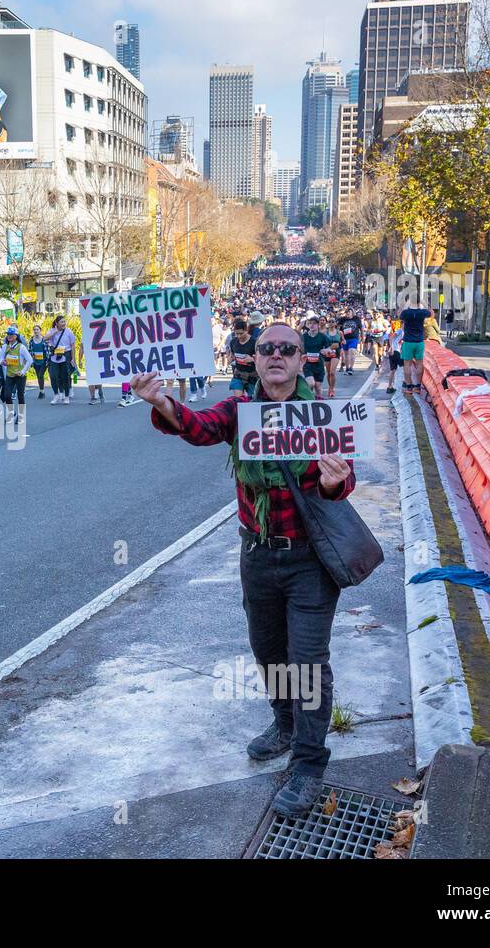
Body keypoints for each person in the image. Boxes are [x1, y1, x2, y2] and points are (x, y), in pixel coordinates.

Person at [133, 323, 355, 818]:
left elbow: (339, 487)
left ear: (304, 361)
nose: (275, 355)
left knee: (308, 661)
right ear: (253, 360)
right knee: (268, 650)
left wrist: (337, 479)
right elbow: (200, 427)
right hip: (257, 554)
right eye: (266, 349)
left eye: (287, 349)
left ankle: (309, 764)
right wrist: (162, 403)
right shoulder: (238, 410)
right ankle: (284, 724)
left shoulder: (322, 415)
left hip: (310, 560)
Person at [397, 303, 432, 396]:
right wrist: (425, 304)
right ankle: (417, 387)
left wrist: (403, 305)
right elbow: (431, 313)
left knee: (407, 364)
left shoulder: (406, 313)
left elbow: (399, 315)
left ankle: (409, 387)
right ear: (418, 302)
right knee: (419, 363)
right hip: (419, 342)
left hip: (408, 341)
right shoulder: (422, 312)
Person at [1, 324, 32, 424]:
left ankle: (21, 416)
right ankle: (11, 413)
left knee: (20, 395)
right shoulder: (5, 346)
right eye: (8, 334)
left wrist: (23, 371)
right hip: (9, 375)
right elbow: (1, 358)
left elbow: (30, 360)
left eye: (11, 334)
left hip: (20, 376)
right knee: (6, 396)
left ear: (16, 336)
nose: (9, 336)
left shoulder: (21, 347)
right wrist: (2, 362)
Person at [44, 315, 75, 404]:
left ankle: (66, 396)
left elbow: (73, 345)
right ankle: (56, 395)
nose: (64, 323)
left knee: (65, 376)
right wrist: (55, 332)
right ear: (57, 323)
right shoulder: (52, 331)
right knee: (53, 376)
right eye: (62, 322)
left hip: (66, 355)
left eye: (64, 322)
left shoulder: (68, 331)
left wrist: (73, 358)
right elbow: (44, 338)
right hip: (54, 356)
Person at [227, 318, 258, 398]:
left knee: (252, 400)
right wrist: (231, 358)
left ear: (246, 330)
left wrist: (252, 359)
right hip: (239, 373)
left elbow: (263, 359)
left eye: (241, 333)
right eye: (236, 334)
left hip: (253, 375)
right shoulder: (233, 341)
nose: (239, 336)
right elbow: (232, 354)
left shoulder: (254, 342)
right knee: (238, 399)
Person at [300, 315, 328, 397]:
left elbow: (329, 348)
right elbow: (297, 346)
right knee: (311, 383)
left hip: (319, 364)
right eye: (309, 323)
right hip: (307, 364)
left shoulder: (322, 336)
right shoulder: (304, 336)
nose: (311, 325)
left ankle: (317, 402)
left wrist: (326, 351)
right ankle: (308, 399)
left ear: (318, 325)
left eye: (314, 323)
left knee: (318, 389)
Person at [321, 318, 342, 398]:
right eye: (329, 321)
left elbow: (342, 341)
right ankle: (330, 387)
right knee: (329, 372)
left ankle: (332, 389)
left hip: (336, 353)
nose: (331, 323)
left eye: (333, 321)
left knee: (332, 372)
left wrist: (342, 344)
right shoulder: (324, 333)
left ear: (335, 323)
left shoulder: (339, 332)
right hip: (327, 353)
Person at [336, 310, 360, 376]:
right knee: (346, 354)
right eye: (346, 312)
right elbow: (337, 328)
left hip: (354, 338)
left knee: (351, 351)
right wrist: (340, 335)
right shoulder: (342, 319)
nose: (347, 314)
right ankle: (347, 368)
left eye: (349, 312)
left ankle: (351, 368)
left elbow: (361, 328)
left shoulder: (356, 318)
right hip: (345, 339)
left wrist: (363, 337)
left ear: (352, 313)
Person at [28, 325, 49, 398]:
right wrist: (31, 361)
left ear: (40, 331)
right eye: (34, 330)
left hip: (44, 361)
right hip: (35, 362)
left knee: (40, 375)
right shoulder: (31, 340)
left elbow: (47, 351)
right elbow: (30, 351)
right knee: (39, 376)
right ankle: (42, 391)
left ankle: (42, 392)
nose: (36, 331)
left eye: (37, 329)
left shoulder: (44, 339)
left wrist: (48, 361)